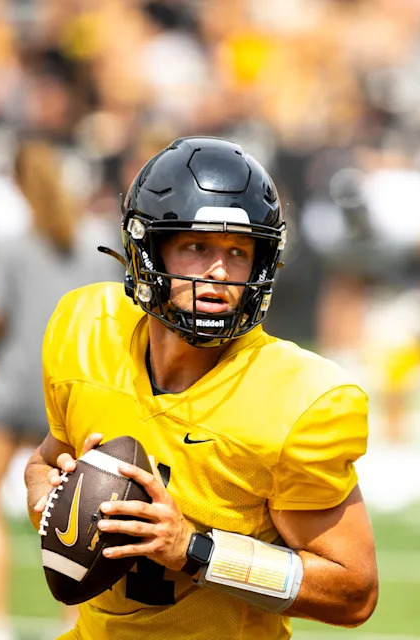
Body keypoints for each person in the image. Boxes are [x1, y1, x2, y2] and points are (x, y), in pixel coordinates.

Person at [24, 137, 379, 639]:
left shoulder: (299, 399)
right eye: (197, 247)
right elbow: (43, 462)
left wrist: (195, 549)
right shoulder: (86, 328)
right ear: (147, 249)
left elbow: (354, 591)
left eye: (239, 252)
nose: (219, 272)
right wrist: (53, 497)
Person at [0, 138, 120, 640]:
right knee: (85, 513)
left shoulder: (10, 247)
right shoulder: (96, 242)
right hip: (74, 394)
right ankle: (74, 622)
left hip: (11, 388)